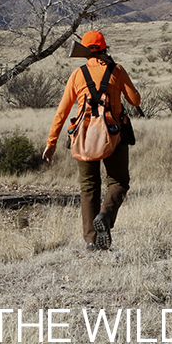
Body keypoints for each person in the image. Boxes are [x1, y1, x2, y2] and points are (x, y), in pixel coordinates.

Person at [43, 31, 141, 251]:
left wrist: (51, 144)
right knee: (118, 183)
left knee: (89, 188)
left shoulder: (78, 74)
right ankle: (105, 216)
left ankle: (90, 240)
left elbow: (61, 112)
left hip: (83, 136)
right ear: (105, 47)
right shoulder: (116, 70)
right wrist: (117, 72)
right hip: (114, 135)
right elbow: (136, 101)